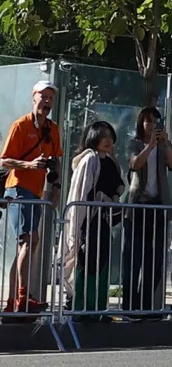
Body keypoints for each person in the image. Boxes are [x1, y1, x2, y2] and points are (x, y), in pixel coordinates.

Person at [1, 81, 62, 317]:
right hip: (18, 188)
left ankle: (14, 299)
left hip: (36, 191)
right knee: (28, 240)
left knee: (28, 243)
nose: (46, 102)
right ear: (33, 97)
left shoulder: (53, 129)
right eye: (42, 97)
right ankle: (22, 297)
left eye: (50, 98)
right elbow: (4, 160)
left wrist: (55, 186)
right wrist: (28, 164)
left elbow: (55, 160)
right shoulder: (20, 125)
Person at [58, 121, 124, 321]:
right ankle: (80, 308)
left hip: (103, 221)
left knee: (102, 262)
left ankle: (98, 308)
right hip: (88, 221)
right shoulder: (89, 160)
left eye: (110, 136)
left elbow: (118, 186)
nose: (108, 140)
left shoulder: (110, 162)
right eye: (103, 136)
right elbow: (79, 194)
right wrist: (76, 229)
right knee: (85, 263)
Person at [122, 107, 172, 316]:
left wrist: (165, 143)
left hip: (158, 205)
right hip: (137, 205)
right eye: (148, 122)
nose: (152, 125)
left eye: (155, 122)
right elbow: (135, 164)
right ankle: (130, 306)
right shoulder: (134, 143)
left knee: (155, 260)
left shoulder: (164, 145)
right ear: (141, 123)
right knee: (133, 257)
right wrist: (150, 146)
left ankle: (146, 306)